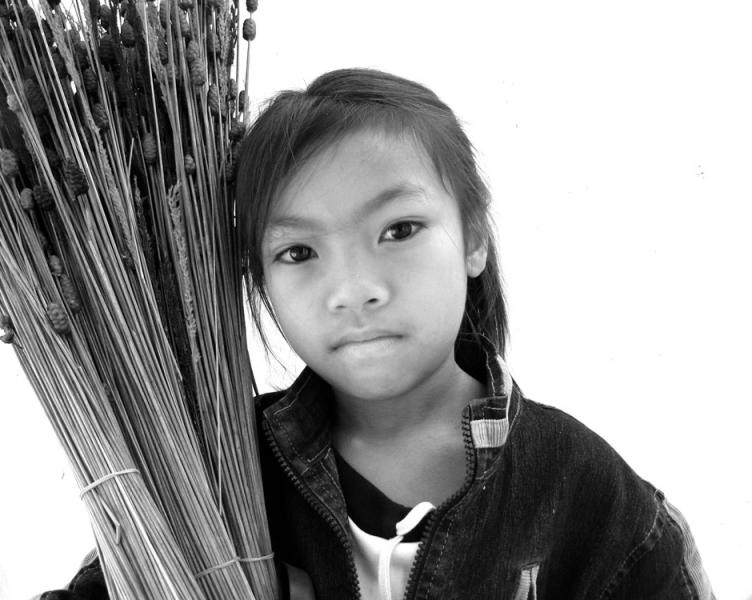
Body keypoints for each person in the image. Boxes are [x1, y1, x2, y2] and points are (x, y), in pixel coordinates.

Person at [38, 68, 713, 600]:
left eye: (398, 230)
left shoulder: (582, 491)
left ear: (473, 237)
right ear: (257, 279)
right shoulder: (212, 472)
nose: (355, 288)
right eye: (298, 253)